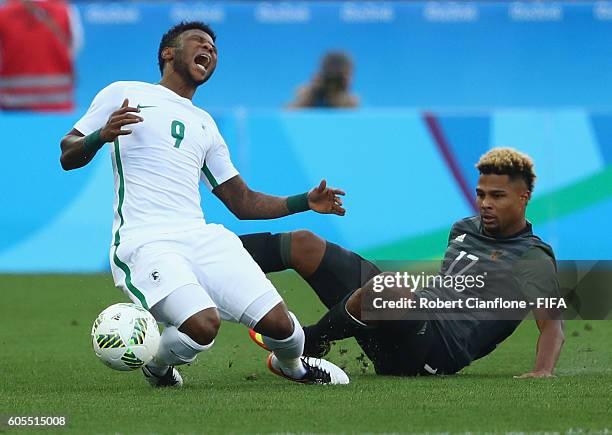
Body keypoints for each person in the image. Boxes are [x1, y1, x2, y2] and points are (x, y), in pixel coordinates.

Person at [59, 21, 350, 387]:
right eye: (199, 42)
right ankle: (159, 367)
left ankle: (293, 366)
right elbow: (67, 153)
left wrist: (304, 201)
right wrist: (101, 136)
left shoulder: (205, 124)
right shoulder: (123, 92)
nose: (209, 51)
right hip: (146, 242)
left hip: (202, 237)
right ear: (168, 53)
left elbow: (243, 202)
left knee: (285, 330)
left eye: (213, 48)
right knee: (202, 326)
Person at [244, 148, 565, 378]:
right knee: (304, 244)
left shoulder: (533, 256)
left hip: (433, 353)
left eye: (497, 196)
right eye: (481, 194)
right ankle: (207, 263)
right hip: (400, 320)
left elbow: (552, 326)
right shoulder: (464, 229)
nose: (485, 204)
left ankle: (306, 342)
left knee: (389, 288)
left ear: (523, 198)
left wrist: (542, 371)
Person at [0, 0, 83, 111]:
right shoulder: (66, 11)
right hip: (57, 102)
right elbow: (75, 47)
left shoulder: (3, 13)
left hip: (13, 103)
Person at [287, 51, 358, 109]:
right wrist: (311, 94)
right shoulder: (307, 93)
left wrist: (336, 101)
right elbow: (286, 114)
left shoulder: (350, 101)